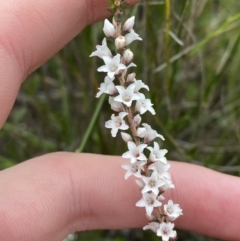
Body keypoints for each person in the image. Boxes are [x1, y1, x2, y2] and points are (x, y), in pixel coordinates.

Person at [0, 1, 239, 240]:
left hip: (135, 123)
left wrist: (147, 167)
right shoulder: (121, 90)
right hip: (129, 112)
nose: (136, 164)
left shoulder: (133, 106)